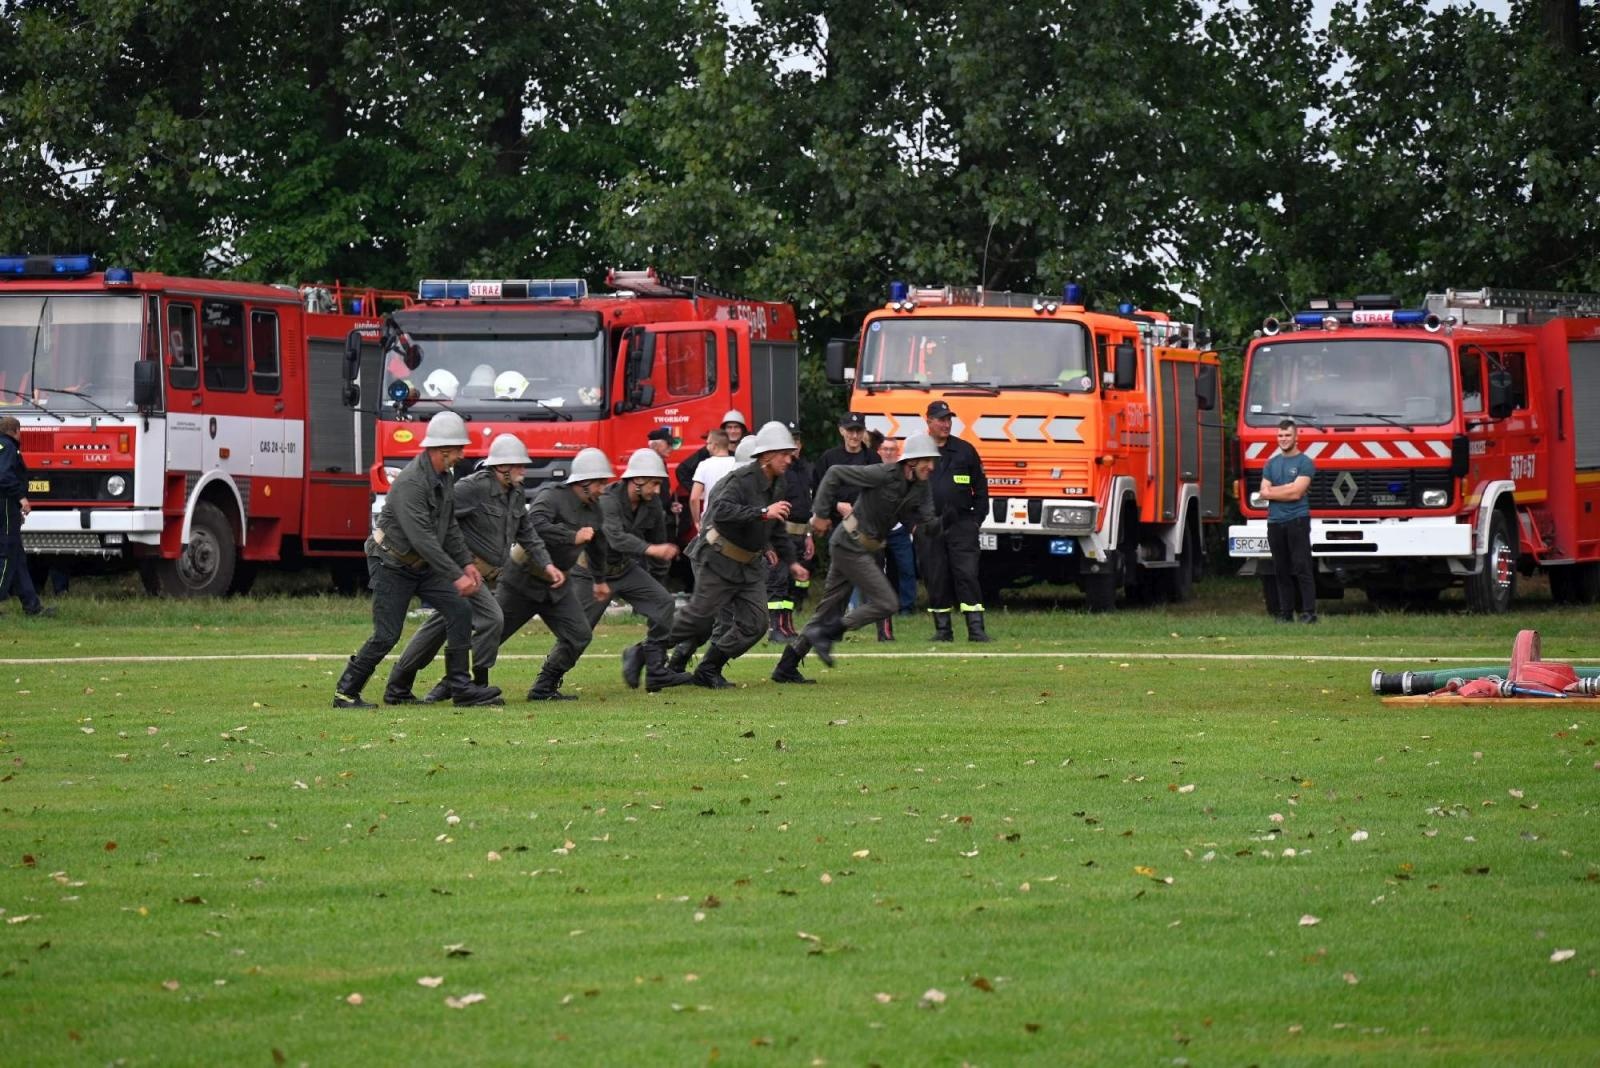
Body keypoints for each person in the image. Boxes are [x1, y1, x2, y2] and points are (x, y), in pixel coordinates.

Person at [333, 411, 498, 709]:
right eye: (458, 449)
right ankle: (346, 692)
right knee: (386, 635)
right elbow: (423, 539)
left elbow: (449, 530)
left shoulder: (444, 478)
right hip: (391, 564)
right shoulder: (411, 483)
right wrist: (456, 575)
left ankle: (460, 688)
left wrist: (466, 564)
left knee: (460, 610)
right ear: (442, 451)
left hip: (422, 565)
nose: (462, 455)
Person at [383, 434, 562, 706]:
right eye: (519, 466)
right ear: (502, 467)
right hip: (462, 573)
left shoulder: (514, 494)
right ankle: (473, 684)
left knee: (438, 628)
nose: (523, 471)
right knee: (492, 619)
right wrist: (458, 565)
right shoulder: (472, 488)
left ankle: (402, 683)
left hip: (483, 577)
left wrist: (547, 564)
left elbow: (527, 533)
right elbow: (441, 520)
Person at [772, 434, 949, 683]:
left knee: (828, 611)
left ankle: (786, 666)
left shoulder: (922, 487)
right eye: (927, 462)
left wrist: (944, 522)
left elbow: (928, 523)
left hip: (867, 548)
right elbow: (834, 473)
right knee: (887, 602)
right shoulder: (883, 473)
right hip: (849, 543)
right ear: (912, 461)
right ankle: (830, 632)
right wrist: (821, 514)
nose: (931, 467)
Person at [662, 421, 806, 689]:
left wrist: (768, 547)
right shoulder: (733, 484)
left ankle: (695, 667)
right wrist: (762, 516)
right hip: (714, 557)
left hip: (740, 561)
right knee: (712, 618)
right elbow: (718, 523)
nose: (789, 459)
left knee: (735, 621)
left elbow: (759, 525)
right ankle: (675, 662)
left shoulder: (769, 484)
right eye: (782, 454)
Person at [571, 449, 694, 692]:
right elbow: (616, 538)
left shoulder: (652, 503)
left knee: (663, 603)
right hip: (592, 573)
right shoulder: (608, 501)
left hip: (624, 569)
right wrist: (652, 550)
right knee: (578, 633)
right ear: (637, 481)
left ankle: (656, 670)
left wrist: (659, 582)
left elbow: (659, 540)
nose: (658, 491)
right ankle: (546, 682)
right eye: (654, 484)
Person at [496, 447, 614, 700]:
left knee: (579, 635)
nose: (603, 489)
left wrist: (600, 580)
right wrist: (572, 536)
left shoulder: (594, 509)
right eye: (599, 483)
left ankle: (544, 687)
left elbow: (597, 545)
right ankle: (453, 684)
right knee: (492, 634)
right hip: (522, 579)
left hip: (557, 584)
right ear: (583, 483)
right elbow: (533, 526)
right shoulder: (551, 496)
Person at [917, 399, 992, 642]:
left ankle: (976, 630)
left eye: (949, 419)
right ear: (928, 421)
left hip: (961, 524)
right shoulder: (917, 450)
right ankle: (942, 631)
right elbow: (903, 490)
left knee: (967, 574)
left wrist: (975, 521)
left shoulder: (965, 450)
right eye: (941, 419)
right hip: (929, 526)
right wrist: (913, 524)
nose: (946, 424)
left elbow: (981, 489)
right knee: (935, 577)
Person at [1259, 418, 1317, 623]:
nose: (1283, 439)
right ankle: (1285, 613)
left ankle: (1309, 612)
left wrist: (1274, 491)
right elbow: (1262, 492)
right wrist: (1286, 489)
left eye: (1287, 435)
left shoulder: (1305, 463)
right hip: (1275, 522)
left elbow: (1296, 493)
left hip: (1297, 520)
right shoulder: (1271, 463)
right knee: (1280, 568)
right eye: (1280, 435)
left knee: (1302, 566)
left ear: (1296, 437)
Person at [0, 415, 54, 618]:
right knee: (6, 554)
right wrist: (21, 498)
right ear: (15, 431)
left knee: (18, 558)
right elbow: (3, 475)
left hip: (7, 508)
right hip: (5, 505)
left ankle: (32, 606)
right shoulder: (8, 448)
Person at [874, 436, 919, 635]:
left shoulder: (906, 475)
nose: (889, 452)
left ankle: (906, 607)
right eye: (885, 449)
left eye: (893, 449)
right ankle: (874, 608)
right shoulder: (871, 473)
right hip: (876, 530)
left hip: (899, 529)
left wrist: (911, 525)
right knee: (873, 571)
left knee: (907, 568)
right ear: (879, 451)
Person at [674, 408, 747, 501]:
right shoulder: (709, 450)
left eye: (736, 427)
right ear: (724, 430)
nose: (732, 431)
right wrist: (696, 491)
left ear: (742, 430)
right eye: (729, 427)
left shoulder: (746, 449)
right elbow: (682, 470)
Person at [689, 429, 735, 528]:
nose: (707, 447)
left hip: (710, 522)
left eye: (708, 443)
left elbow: (694, 498)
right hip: (733, 520)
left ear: (714, 445)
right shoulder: (737, 464)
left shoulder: (704, 465)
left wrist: (697, 522)